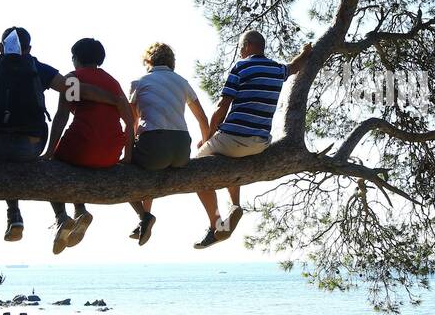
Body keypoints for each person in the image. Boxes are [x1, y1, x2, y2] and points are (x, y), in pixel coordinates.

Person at [0, 26, 127, 248]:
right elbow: (76, 90)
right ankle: (17, 216)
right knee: (14, 160)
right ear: (29, 48)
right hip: (30, 146)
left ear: (1, 47)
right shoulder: (38, 68)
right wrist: (114, 99)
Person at [192, 29, 310, 249]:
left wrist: (207, 138)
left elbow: (222, 107)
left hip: (234, 138)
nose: (239, 52)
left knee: (196, 170)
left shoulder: (241, 66)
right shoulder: (276, 69)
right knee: (227, 159)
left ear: (247, 46)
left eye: (240, 48)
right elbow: (294, 67)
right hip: (259, 143)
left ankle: (216, 225)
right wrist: (305, 52)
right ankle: (235, 206)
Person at [44, 37, 135, 254]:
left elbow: (61, 117)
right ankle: (80, 210)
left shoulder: (74, 79)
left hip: (82, 145)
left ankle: (61, 217)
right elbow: (129, 120)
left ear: (76, 58)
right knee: (80, 160)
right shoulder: (113, 82)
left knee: (54, 167)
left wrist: (49, 151)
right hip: (111, 152)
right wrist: (128, 155)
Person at [126, 41, 210, 245]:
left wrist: (127, 156)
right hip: (181, 150)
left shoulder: (139, 83)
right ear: (171, 62)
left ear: (148, 61)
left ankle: (144, 216)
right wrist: (206, 144)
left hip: (154, 146)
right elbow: (202, 119)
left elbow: (131, 122)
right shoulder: (182, 82)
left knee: (135, 171)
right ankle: (144, 220)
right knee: (153, 162)